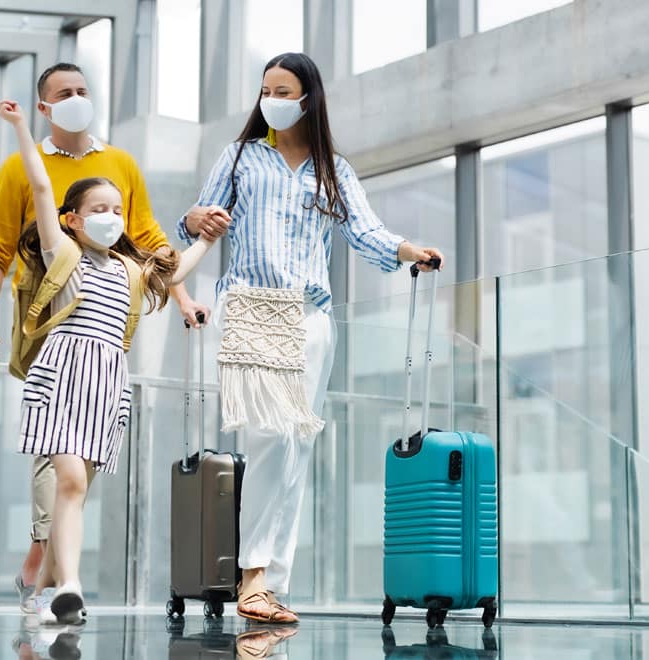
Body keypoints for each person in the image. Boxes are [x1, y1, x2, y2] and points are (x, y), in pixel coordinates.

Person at [178, 52, 445, 624]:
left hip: (311, 318)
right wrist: (196, 218)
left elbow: (365, 231)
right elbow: (195, 219)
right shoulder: (240, 156)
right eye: (265, 90)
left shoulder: (333, 170)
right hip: (251, 305)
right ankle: (252, 575)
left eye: (283, 91)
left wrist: (409, 251)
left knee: (295, 448)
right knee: (272, 435)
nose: (271, 99)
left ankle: (271, 583)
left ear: (308, 99)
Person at [0, 63, 213, 612]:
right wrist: (19, 130)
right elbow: (26, 207)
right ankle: (68, 585)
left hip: (106, 382)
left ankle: (42, 587)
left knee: (77, 489)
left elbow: (164, 259)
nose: (111, 217)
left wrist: (202, 246)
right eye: (98, 210)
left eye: (115, 210)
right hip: (60, 367)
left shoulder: (128, 260)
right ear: (72, 220)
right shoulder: (63, 251)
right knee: (68, 482)